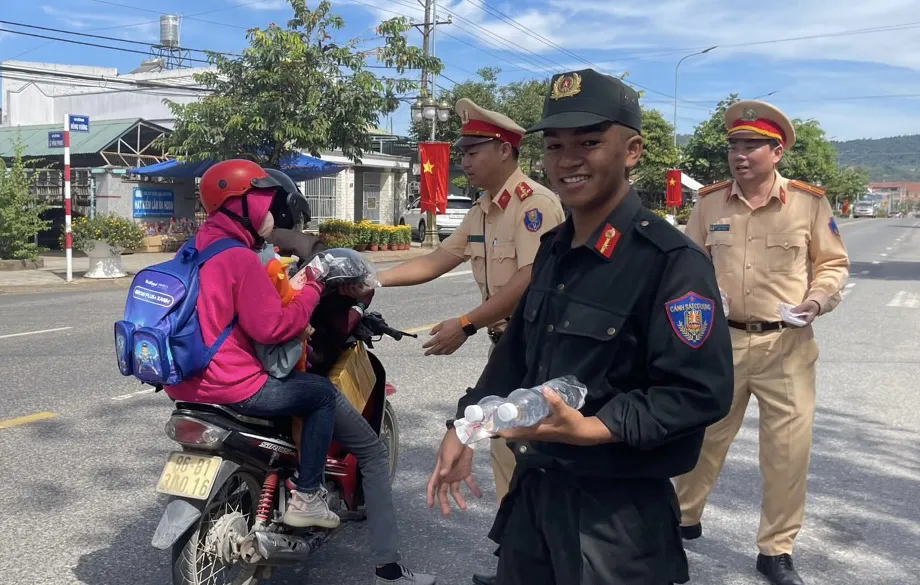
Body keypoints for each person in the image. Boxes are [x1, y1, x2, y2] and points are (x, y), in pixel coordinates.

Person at [426, 68, 735, 585]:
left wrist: (594, 428)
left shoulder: (670, 262)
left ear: (632, 150)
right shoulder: (553, 250)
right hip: (535, 493)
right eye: (554, 145)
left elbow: (699, 390)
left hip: (616, 518)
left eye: (589, 142)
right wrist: (467, 425)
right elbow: (517, 354)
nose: (567, 160)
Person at [375, 98, 564, 585]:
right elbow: (439, 259)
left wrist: (467, 321)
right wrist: (372, 282)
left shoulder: (534, 206)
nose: (463, 161)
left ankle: (532, 563)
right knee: (506, 447)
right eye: (461, 151)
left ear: (504, 150)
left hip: (538, 346)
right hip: (508, 344)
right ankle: (518, 561)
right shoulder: (483, 209)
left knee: (526, 452)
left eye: (473, 150)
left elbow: (530, 276)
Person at [674, 100, 850, 585]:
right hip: (720, 343)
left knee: (787, 452)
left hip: (786, 346)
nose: (740, 154)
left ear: (777, 152)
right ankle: (681, 518)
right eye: (734, 145)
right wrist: (702, 297)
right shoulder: (709, 203)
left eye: (752, 145)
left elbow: (832, 265)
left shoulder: (808, 203)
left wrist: (815, 302)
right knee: (701, 437)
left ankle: (776, 549)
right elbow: (686, 264)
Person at [256, 169, 438, 585]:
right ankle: (388, 570)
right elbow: (334, 324)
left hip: (232, 378)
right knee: (373, 452)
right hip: (289, 378)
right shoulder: (312, 260)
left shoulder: (237, 254)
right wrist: (356, 304)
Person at [163, 159, 340, 530]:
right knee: (321, 394)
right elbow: (273, 328)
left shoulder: (194, 248)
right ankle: (308, 495)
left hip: (183, 384)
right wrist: (313, 290)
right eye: (263, 200)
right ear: (240, 204)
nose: (269, 210)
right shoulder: (239, 258)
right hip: (231, 385)